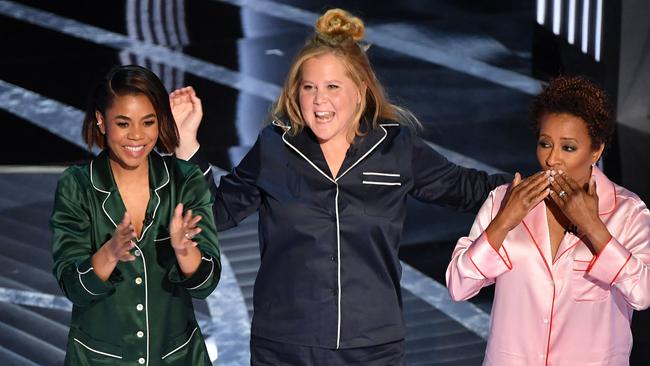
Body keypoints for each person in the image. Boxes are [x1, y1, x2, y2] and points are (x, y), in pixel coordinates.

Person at [171, 8, 508, 365]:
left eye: (333, 87)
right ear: (295, 93)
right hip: (285, 347)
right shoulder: (275, 148)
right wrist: (187, 144)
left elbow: (472, 189)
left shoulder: (396, 149)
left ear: (360, 91)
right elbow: (214, 212)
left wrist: (553, 184)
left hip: (372, 348)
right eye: (309, 88)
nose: (319, 100)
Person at [446, 75, 650, 365]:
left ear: (596, 150)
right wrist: (503, 223)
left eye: (568, 147)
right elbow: (458, 285)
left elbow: (643, 294)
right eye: (545, 144)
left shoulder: (628, 212)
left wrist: (593, 227)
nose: (552, 159)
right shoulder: (505, 201)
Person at [50, 65, 221, 366]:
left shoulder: (185, 180)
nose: (137, 136)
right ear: (101, 121)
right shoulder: (77, 185)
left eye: (148, 122)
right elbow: (72, 286)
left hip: (178, 357)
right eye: (123, 123)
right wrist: (110, 253)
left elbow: (206, 282)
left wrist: (185, 250)